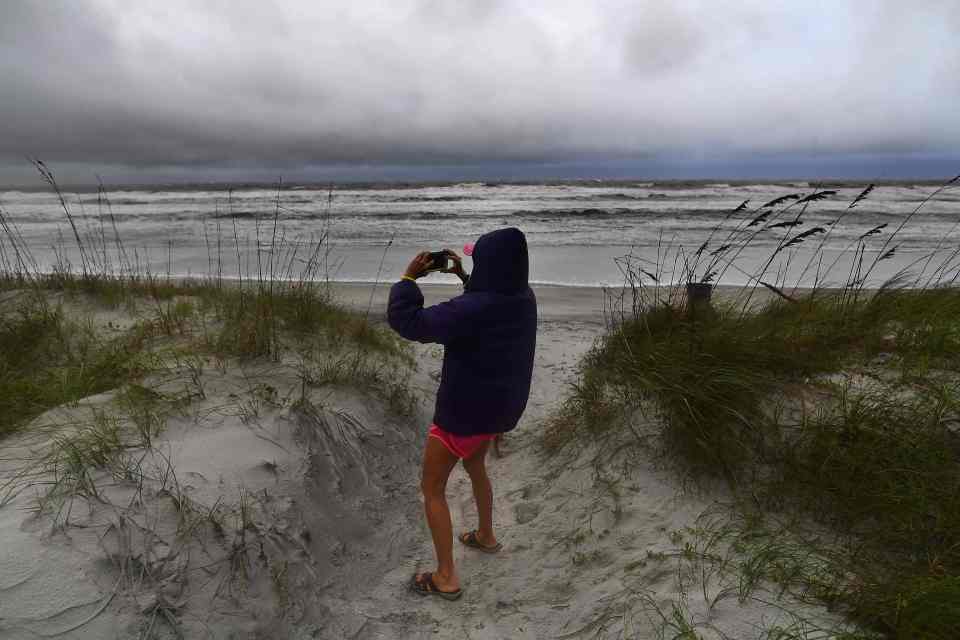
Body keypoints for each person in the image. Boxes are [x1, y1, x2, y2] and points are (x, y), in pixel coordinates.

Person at [387, 227, 537, 600]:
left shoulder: (472, 310)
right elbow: (484, 303)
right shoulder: (522, 298)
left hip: (462, 414)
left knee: (432, 489)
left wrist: (408, 279)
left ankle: (446, 577)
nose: (472, 264)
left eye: (476, 261)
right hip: (498, 411)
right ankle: (486, 536)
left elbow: (411, 323)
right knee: (475, 468)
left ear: (490, 265)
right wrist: (463, 277)